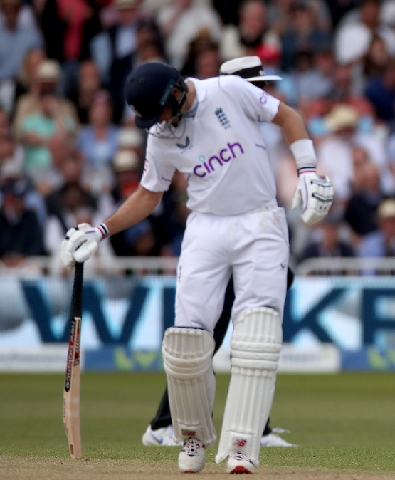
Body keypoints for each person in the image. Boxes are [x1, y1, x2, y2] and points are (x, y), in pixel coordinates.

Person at [59, 60, 332, 474]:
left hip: (259, 221)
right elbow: (149, 195)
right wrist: (101, 231)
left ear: (176, 92)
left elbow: (287, 116)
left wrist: (308, 170)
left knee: (257, 335)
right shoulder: (160, 134)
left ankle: (242, 445)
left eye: (161, 111)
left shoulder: (226, 90)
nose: (160, 123)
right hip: (205, 228)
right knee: (186, 342)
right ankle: (189, 437)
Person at [138, 56, 301, 450]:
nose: (263, 93)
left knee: (240, 331)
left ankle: (250, 425)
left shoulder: (254, 120)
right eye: (256, 85)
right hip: (216, 234)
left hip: (253, 229)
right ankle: (169, 424)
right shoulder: (218, 106)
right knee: (207, 335)